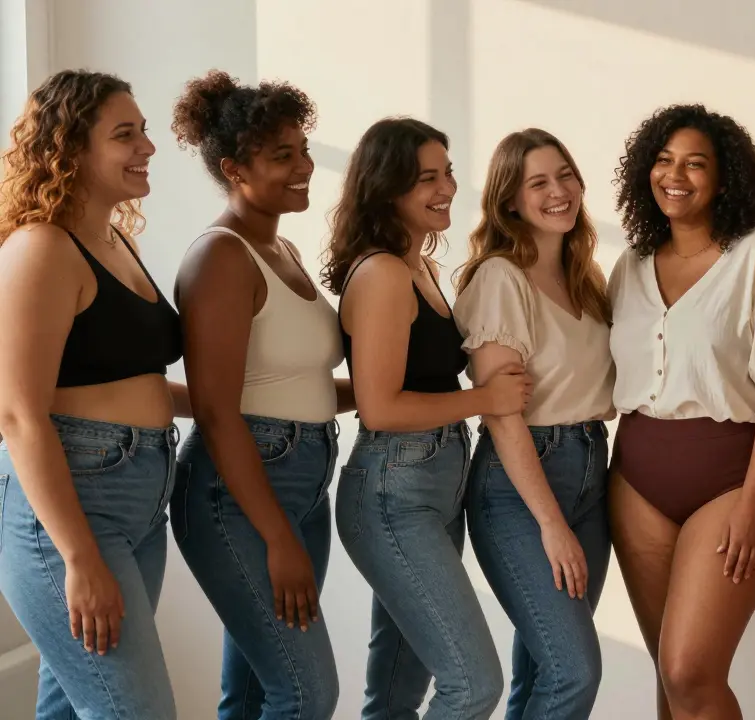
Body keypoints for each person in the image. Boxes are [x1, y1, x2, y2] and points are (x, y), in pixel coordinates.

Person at [324, 117, 530, 720]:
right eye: (426, 179)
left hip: (435, 484)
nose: (446, 189)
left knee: (397, 694)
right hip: (395, 491)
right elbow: (382, 407)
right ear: (387, 188)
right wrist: (485, 399)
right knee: (473, 685)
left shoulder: (422, 268)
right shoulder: (384, 273)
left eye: (448, 173)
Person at [608, 103, 755, 720]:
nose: (675, 175)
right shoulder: (630, 264)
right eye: (664, 160)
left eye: (695, 163)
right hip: (636, 483)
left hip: (730, 481)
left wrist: (754, 504)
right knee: (670, 678)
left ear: (724, 179)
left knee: (691, 671)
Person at [0, 69, 184, 719]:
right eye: (125, 134)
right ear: (71, 148)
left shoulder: (116, 241)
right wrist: (77, 556)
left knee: (75, 707)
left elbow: (131, 378)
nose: (148, 147)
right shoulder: (41, 248)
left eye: (145, 132)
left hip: (143, 496)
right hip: (75, 506)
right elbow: (17, 413)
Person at [170, 70, 347, 719]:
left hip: (305, 482)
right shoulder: (221, 257)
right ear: (234, 168)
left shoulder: (285, 248)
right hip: (236, 496)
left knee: (253, 693)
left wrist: (399, 391)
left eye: (304, 150)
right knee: (305, 692)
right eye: (282, 156)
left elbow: (295, 385)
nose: (304, 167)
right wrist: (276, 537)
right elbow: (217, 411)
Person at [453, 127, 616, 720]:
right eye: (538, 183)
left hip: (591, 470)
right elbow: (501, 412)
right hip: (521, 485)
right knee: (574, 671)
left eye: (565, 175)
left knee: (544, 669)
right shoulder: (502, 278)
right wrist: (550, 522)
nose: (558, 191)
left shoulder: (585, 278)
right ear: (510, 201)